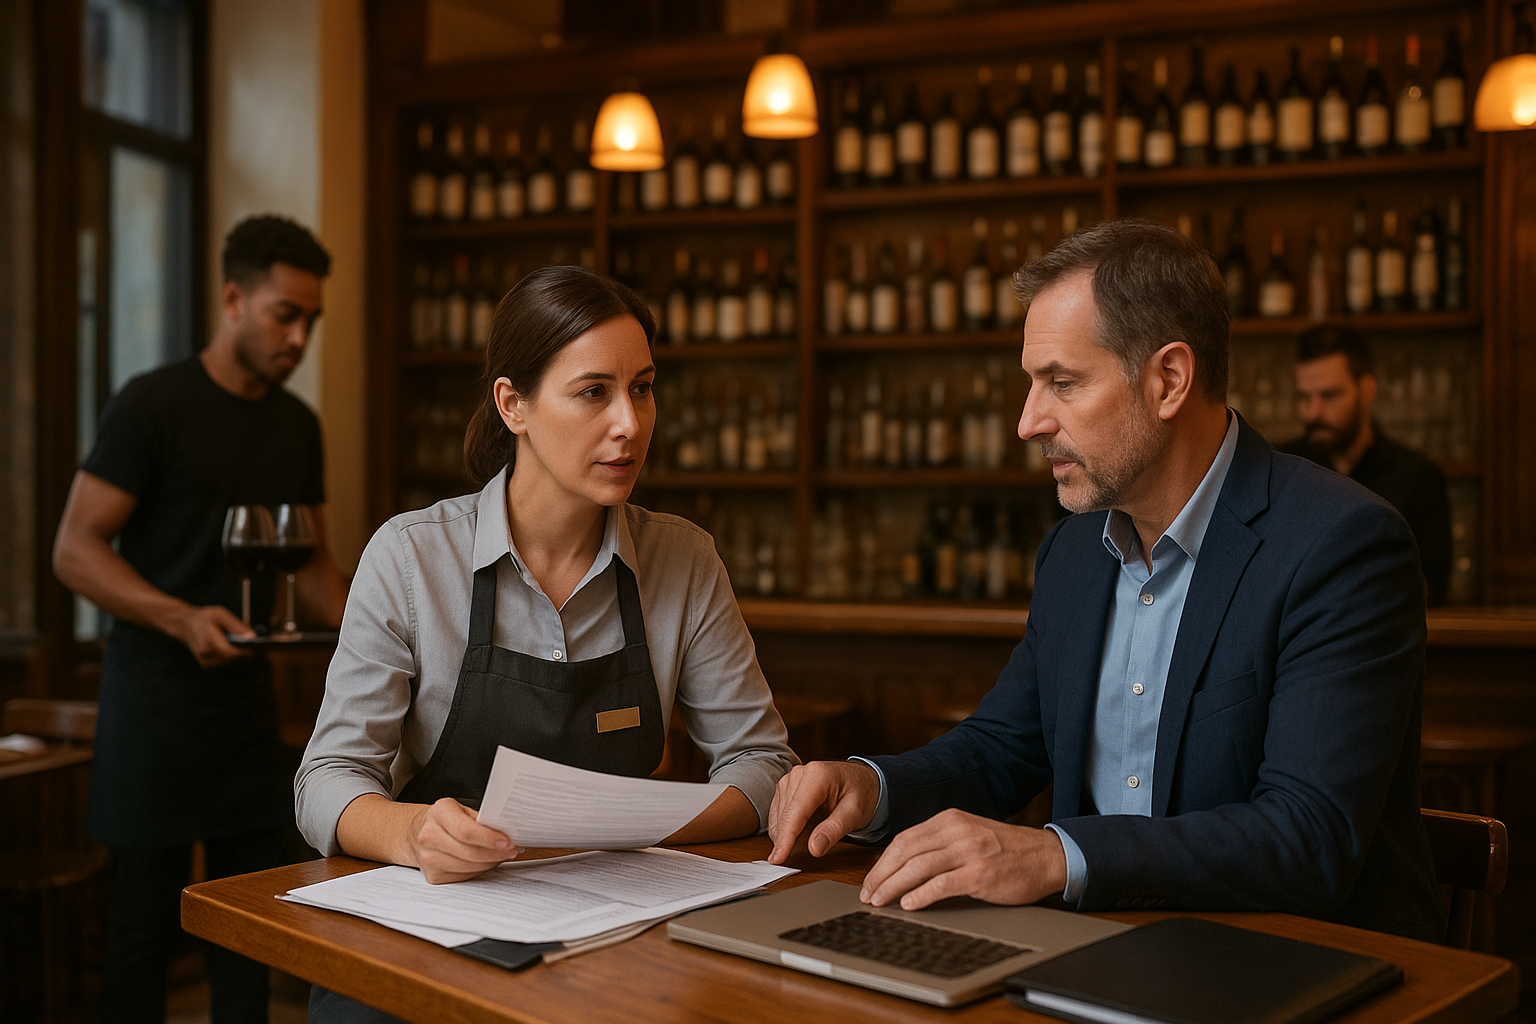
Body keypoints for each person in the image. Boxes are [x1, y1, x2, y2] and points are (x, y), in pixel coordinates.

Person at [766, 220, 1441, 943]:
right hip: (1099, 955)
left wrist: (1059, 855)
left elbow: (1307, 837)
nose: (1027, 423)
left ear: (1168, 380)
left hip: (1294, 964)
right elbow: (1002, 747)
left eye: (1062, 383)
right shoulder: (1074, 552)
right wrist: (873, 787)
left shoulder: (1340, 545)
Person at [296, 265, 797, 1022]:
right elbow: (326, 779)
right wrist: (415, 832)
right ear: (514, 404)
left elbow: (764, 765)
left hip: (612, 931)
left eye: (644, 387)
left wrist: (636, 824)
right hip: (436, 925)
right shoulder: (409, 559)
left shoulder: (685, 561)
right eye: (594, 392)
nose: (630, 423)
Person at [52, 214, 350, 1023]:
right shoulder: (152, 405)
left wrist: (389, 634)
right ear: (231, 299)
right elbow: (74, 549)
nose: (299, 337)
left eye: (311, 321)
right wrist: (180, 618)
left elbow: (315, 565)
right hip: (152, 706)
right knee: (142, 935)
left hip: (244, 713)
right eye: (285, 314)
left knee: (248, 930)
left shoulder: (297, 426)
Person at [1281, 325, 1453, 605]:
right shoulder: (1282, 469)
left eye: (1329, 396)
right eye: (1304, 397)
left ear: (1367, 389)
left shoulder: (1418, 476)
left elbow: (1431, 587)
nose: (1314, 413)